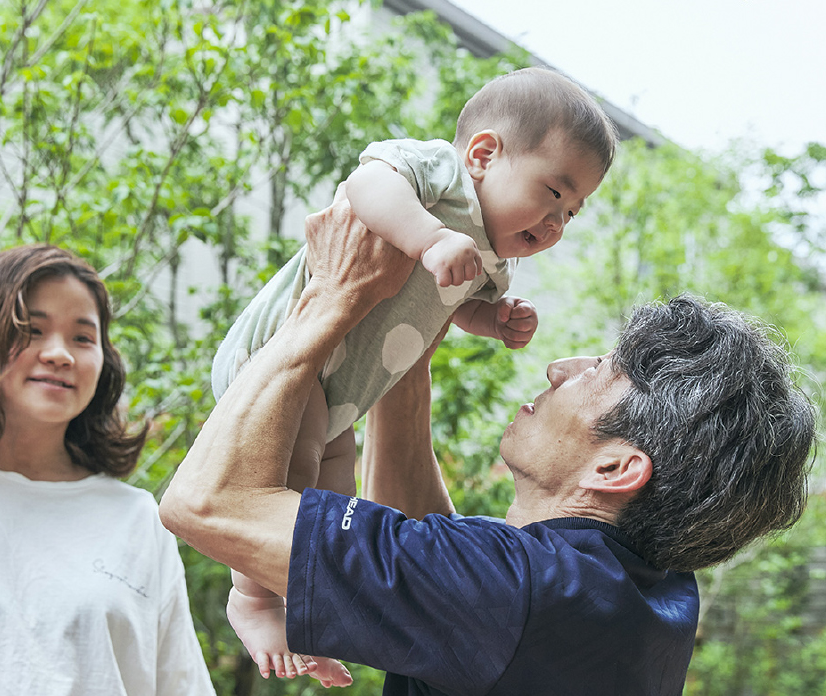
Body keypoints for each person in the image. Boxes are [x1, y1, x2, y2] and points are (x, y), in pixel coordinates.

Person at [160, 198, 816, 695]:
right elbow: (437, 561)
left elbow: (206, 503)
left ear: (618, 467)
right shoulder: (651, 595)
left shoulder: (513, 594)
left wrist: (333, 298)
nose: (560, 367)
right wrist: (408, 337)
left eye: (600, 371)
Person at [211, 66, 619, 679]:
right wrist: (428, 237)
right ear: (484, 153)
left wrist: (495, 318)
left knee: (329, 502)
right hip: (280, 354)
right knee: (285, 479)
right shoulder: (439, 175)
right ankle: (253, 596)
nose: (558, 223)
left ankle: (306, 603)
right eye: (554, 193)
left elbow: (456, 309)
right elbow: (368, 184)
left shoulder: (491, 259)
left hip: (341, 390)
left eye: (573, 213)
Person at [0, 245, 216, 696]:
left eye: (83, 338)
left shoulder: (137, 519)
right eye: (31, 330)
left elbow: (178, 684)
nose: (59, 353)